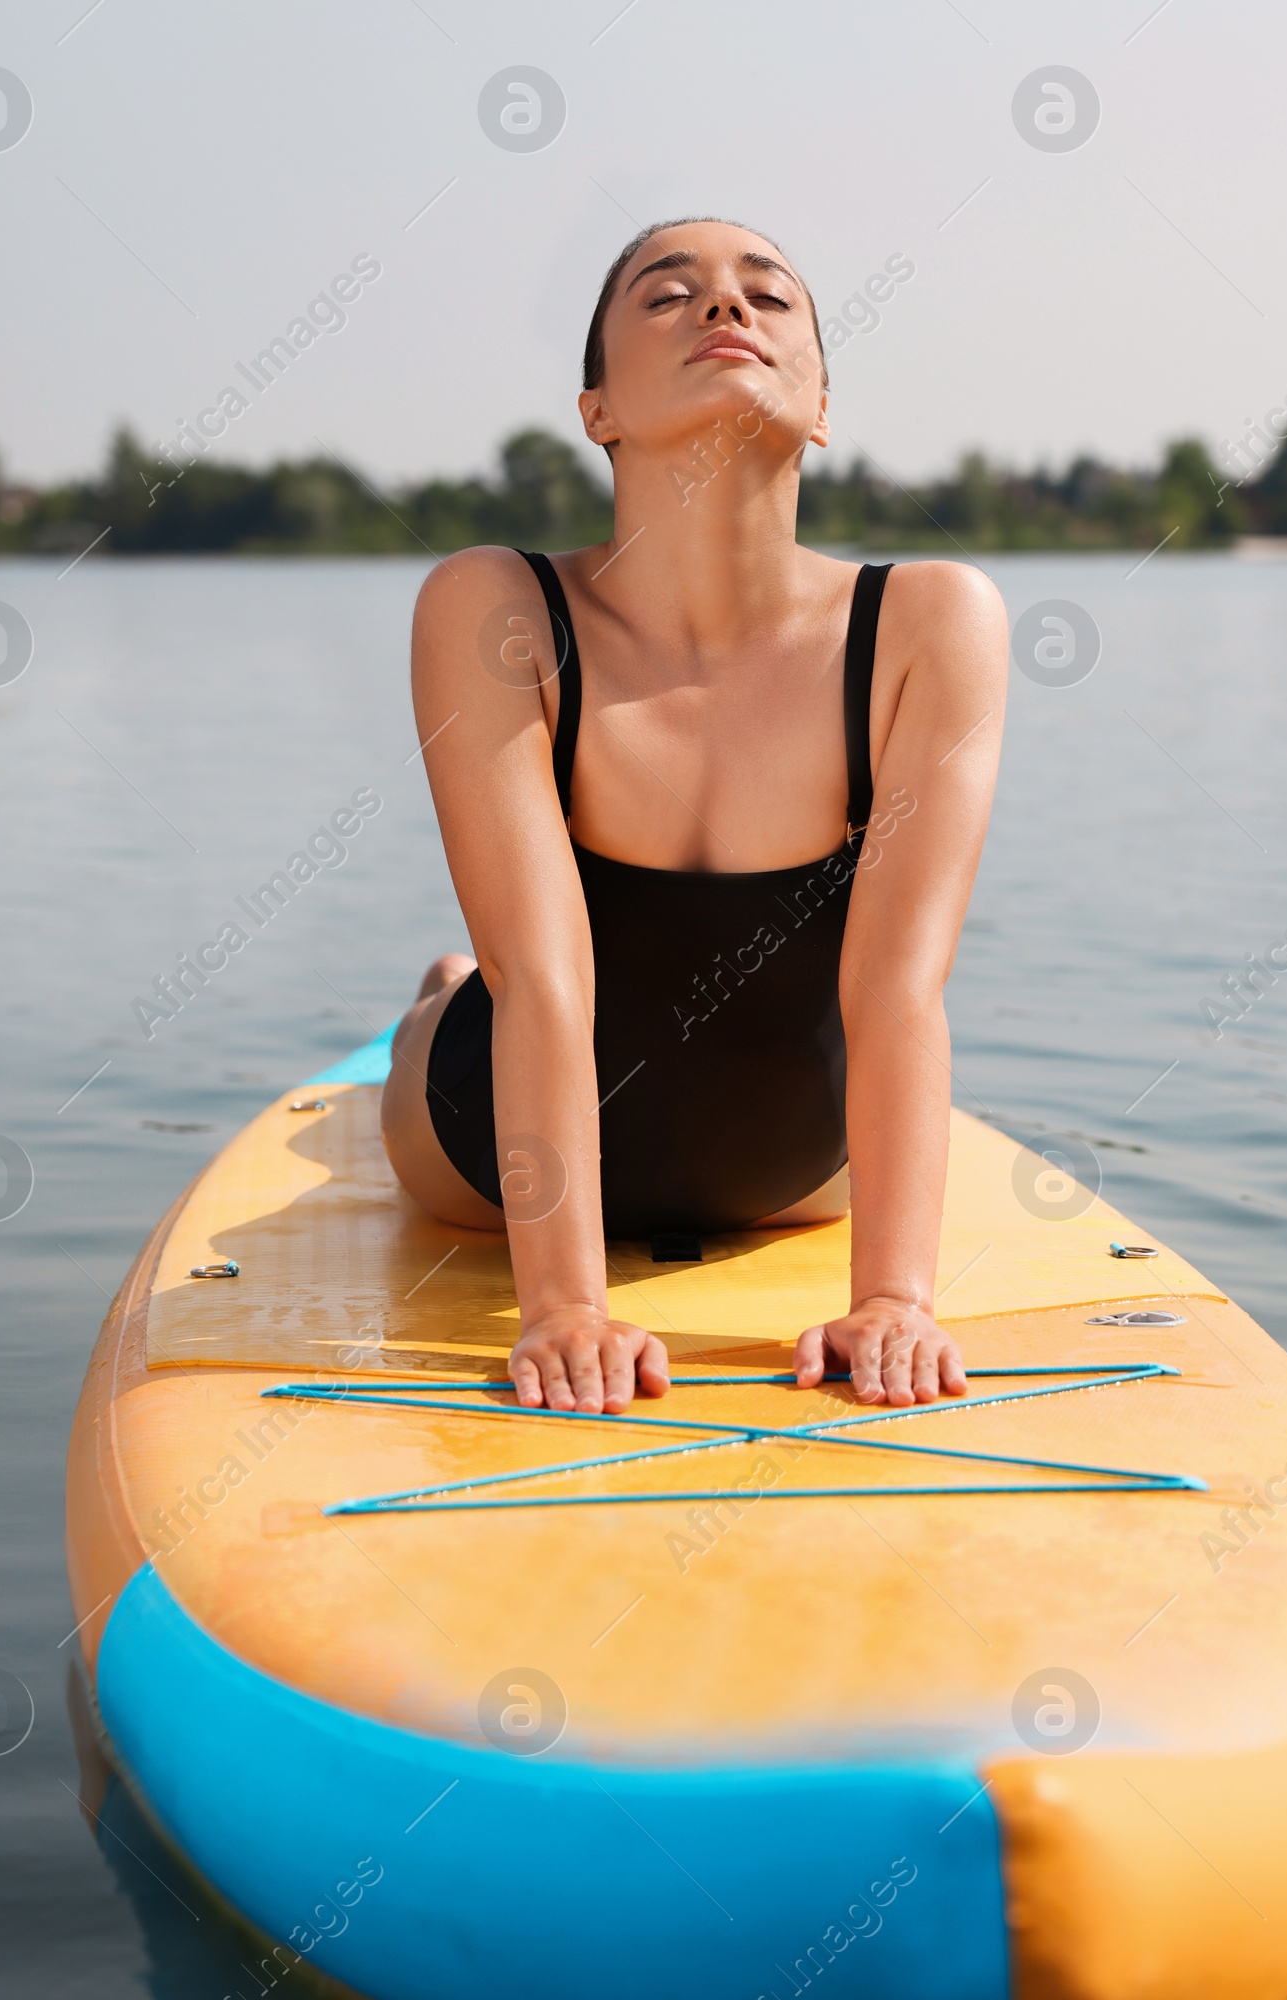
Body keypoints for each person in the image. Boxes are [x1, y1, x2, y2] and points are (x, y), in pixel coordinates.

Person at [381, 219, 1006, 1418]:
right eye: (669, 297)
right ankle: (428, 1001)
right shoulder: (495, 605)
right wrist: (563, 1306)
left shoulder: (929, 623)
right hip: (481, 1157)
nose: (726, 309)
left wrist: (896, 1299)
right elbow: (546, 978)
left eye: (767, 298)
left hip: (794, 1166)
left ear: (822, 402)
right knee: (474, 990)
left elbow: (899, 988)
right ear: (597, 407)